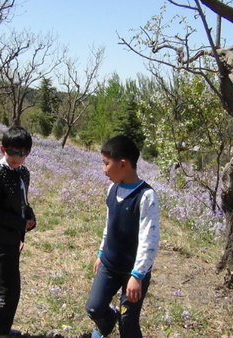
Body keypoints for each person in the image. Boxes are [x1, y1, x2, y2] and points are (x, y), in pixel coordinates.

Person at [85, 135, 160, 338]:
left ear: (123, 164)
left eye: (106, 163)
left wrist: (137, 275)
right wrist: (101, 252)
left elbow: (149, 240)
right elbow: (109, 226)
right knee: (94, 308)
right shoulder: (112, 188)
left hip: (133, 271)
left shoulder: (146, 196)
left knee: (128, 323)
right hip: (109, 264)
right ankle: (106, 323)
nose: (104, 169)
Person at [0, 126, 36, 338]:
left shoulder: (23, 173)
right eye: (11, 152)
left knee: (13, 287)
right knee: (2, 287)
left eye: (21, 153)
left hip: (13, 238)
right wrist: (19, 222)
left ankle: (2, 328)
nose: (15, 157)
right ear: (2, 148)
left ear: (28, 153)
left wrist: (30, 217)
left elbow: (23, 202)